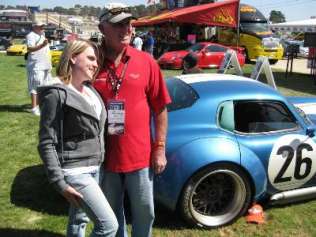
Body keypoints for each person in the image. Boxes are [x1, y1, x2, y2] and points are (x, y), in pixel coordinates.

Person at [95, 5, 171, 237]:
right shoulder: (91, 61)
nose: (127, 28)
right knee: (111, 212)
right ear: (102, 28)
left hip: (139, 155)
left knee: (145, 212)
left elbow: (160, 108)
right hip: (103, 156)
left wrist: (159, 148)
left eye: (129, 23)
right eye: (118, 24)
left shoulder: (146, 62)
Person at [38, 39, 118, 237]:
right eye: (90, 58)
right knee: (108, 226)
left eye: (97, 60)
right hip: (76, 171)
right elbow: (46, 142)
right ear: (73, 57)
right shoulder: (56, 93)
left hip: (95, 167)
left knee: (79, 219)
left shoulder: (90, 91)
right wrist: (59, 182)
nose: (95, 63)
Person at [26, 21, 52, 116]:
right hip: (36, 64)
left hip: (46, 64)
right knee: (35, 86)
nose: (42, 28)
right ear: (34, 27)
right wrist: (42, 45)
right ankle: (34, 108)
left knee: (45, 86)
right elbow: (30, 48)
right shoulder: (31, 36)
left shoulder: (43, 34)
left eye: (43, 26)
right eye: (40, 26)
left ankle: (40, 105)